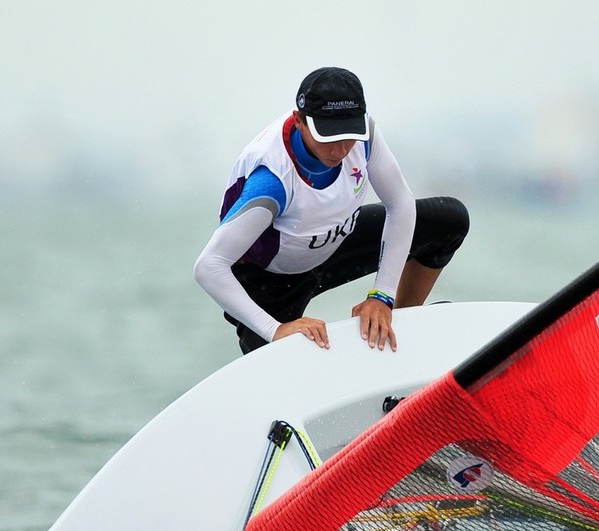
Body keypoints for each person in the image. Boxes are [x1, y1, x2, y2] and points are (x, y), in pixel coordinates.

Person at [194, 67, 468, 355]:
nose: (340, 150)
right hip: (271, 281)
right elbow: (209, 266)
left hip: (335, 243)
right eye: (328, 137)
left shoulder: (365, 134)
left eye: (348, 135)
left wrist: (381, 296)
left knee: (449, 221)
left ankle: (395, 327)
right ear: (299, 121)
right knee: (285, 373)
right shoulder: (272, 180)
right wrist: (275, 330)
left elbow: (400, 204)